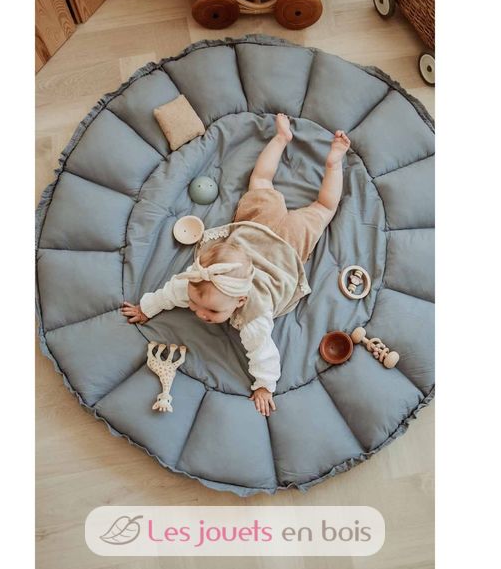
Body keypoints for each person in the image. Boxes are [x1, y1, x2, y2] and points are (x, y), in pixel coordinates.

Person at [122, 113, 350, 417]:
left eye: (212, 312)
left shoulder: (253, 316)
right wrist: (147, 308)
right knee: (268, 185)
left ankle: (327, 160)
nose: (200, 314)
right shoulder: (197, 283)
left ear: (241, 301)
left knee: (319, 205)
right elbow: (172, 292)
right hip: (259, 228)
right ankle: (286, 141)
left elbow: (264, 353)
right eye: (196, 305)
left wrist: (264, 385)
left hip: (287, 243)